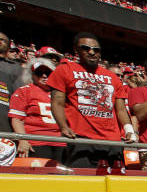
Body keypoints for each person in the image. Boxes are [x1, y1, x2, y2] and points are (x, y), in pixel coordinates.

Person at [48, 32, 137, 167]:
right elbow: (57, 102)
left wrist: (129, 130)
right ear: (76, 50)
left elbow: (120, 109)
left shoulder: (112, 77)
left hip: (112, 141)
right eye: (85, 48)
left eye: (96, 50)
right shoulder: (64, 70)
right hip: (81, 139)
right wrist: (63, 127)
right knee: (83, 184)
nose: (91, 52)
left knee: (114, 185)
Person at [8, 57, 66, 161]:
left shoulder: (60, 93)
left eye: (48, 72)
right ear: (32, 76)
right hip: (37, 141)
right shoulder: (24, 91)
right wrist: (23, 140)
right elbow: (17, 119)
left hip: (61, 141)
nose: (44, 76)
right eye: (39, 73)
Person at [0, 32, 22, 132]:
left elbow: (20, 98)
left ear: (9, 47)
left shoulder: (16, 68)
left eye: (2, 40)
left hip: (4, 121)